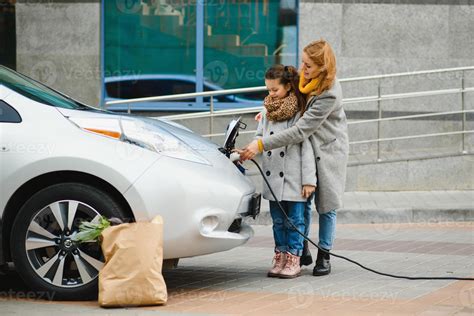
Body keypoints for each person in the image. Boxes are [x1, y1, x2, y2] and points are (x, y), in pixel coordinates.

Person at [240, 39, 349, 276]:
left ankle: (325, 254)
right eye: (303, 62)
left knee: (326, 206)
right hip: (305, 146)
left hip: (327, 149)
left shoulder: (330, 92)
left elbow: (301, 129)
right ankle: (301, 251)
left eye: (309, 65)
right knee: (303, 201)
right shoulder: (304, 80)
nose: (303, 68)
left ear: (322, 66)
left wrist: (260, 143)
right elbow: (284, 99)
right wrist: (266, 110)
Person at [255, 64, 316, 279]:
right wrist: (246, 151)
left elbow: (306, 146)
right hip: (273, 177)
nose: (270, 94)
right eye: (268, 90)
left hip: (295, 178)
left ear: (288, 86)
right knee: (278, 221)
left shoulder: (299, 113)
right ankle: (279, 255)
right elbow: (259, 138)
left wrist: (309, 180)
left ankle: (294, 258)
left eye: (275, 90)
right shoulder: (266, 111)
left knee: (295, 221)